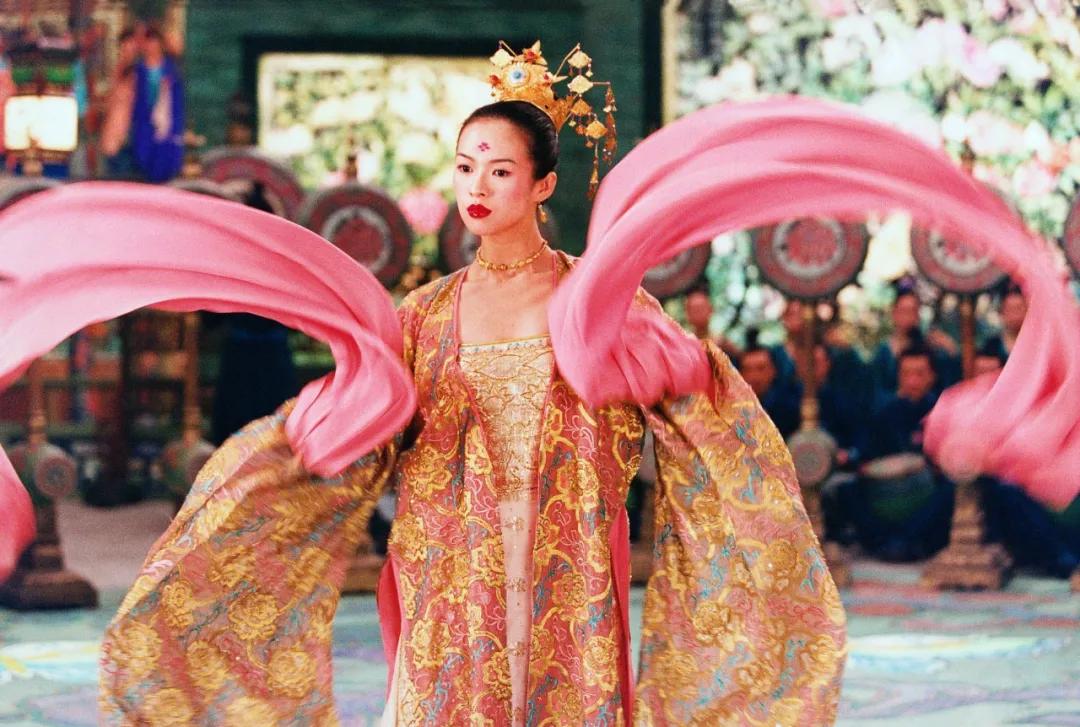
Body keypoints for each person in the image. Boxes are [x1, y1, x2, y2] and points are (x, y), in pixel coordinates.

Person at [98, 43, 844, 726]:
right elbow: (372, 429)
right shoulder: (423, 316)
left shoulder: (599, 303)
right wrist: (309, 439)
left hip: (569, 562)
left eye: (500, 170)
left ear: (544, 183)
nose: (476, 186)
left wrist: (687, 378)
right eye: (464, 168)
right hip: (451, 573)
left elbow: (688, 394)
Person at [831, 347, 955, 560]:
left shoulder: (943, 411)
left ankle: (906, 541)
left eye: (920, 374)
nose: (913, 381)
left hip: (927, 488)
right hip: (888, 490)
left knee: (951, 491)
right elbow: (866, 452)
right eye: (907, 374)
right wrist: (855, 460)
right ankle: (887, 542)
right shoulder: (886, 412)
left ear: (932, 376)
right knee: (847, 490)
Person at [868, 287, 961, 407]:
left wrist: (951, 349)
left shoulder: (931, 347)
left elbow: (948, 383)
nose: (908, 316)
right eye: (904, 311)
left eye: (913, 311)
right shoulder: (883, 352)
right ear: (894, 313)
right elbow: (876, 391)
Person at [130, 26, 184, 182]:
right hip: (144, 126)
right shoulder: (138, 70)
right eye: (149, 42)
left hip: (166, 127)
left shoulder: (172, 70)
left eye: (155, 42)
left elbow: (177, 104)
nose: (151, 47)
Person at [738, 335, 801, 438]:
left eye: (761, 369)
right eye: (748, 370)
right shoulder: (734, 407)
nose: (754, 376)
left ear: (773, 371)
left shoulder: (789, 405)